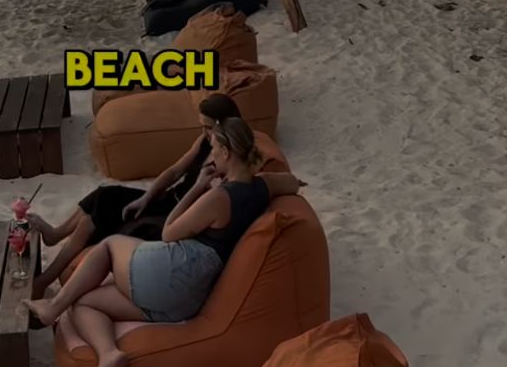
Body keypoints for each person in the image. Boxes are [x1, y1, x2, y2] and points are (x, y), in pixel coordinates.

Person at [26, 117, 301, 366]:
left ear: (227, 153)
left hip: (179, 270)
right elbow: (291, 181)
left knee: (109, 246)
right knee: (83, 302)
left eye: (215, 147)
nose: (212, 153)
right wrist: (270, 181)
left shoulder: (219, 198)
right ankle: (109, 354)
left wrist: (197, 188)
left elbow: (169, 231)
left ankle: (52, 307)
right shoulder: (262, 187)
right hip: (189, 298)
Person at [28, 93, 241, 296]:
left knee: (99, 218)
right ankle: (56, 234)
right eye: (202, 126)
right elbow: (175, 171)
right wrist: (146, 198)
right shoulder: (205, 142)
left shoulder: (228, 161)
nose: (204, 133)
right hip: (167, 200)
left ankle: (45, 279)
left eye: (208, 127)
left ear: (226, 126)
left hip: (176, 218)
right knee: (105, 196)